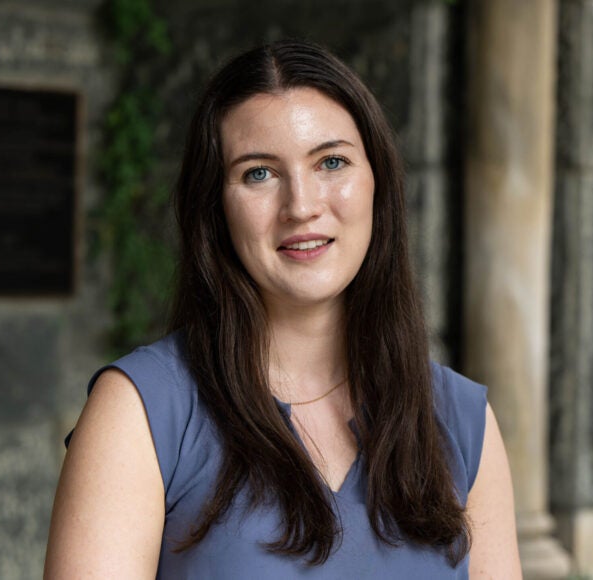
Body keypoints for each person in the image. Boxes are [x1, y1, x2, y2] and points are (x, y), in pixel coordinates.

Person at [44, 40, 521, 578]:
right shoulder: (143, 410)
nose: (301, 205)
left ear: (377, 184)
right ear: (215, 209)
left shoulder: (461, 418)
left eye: (331, 162)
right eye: (258, 173)